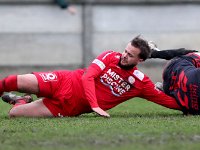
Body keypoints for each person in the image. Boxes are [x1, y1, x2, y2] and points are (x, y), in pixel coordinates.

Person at [0, 36, 195, 118]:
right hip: (63, 81)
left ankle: (21, 101)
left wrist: (191, 106)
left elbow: (166, 100)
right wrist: (95, 106)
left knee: (14, 115)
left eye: (129, 55)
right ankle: (22, 93)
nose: (123, 55)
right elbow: (88, 78)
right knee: (12, 81)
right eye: (125, 50)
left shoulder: (140, 83)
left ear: (140, 60)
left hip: (66, 107)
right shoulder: (109, 56)